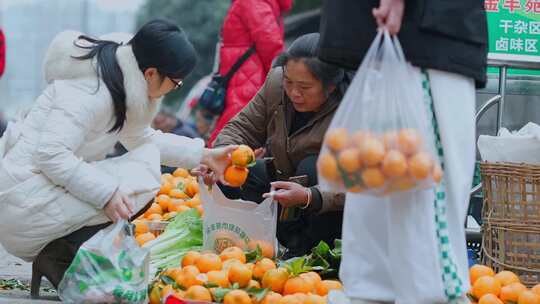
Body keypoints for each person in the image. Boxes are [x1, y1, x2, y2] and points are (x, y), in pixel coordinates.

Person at [0, 19, 235, 291]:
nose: (174, 88)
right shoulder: (92, 92)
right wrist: (107, 193)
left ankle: (63, 256)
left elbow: (143, 139)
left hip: (31, 195)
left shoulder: (117, 81)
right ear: (150, 74)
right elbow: (51, 154)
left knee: (143, 164)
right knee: (143, 176)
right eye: (176, 82)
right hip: (19, 205)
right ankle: (60, 256)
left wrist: (205, 156)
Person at [318, 0, 488, 303]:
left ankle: (372, 294)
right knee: (422, 181)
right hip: (421, 32)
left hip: (405, 35)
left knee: (380, 181)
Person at [212, 33, 349, 257]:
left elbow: (360, 182)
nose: (294, 93)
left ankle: (315, 255)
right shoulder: (276, 84)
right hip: (285, 185)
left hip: (329, 203)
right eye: (289, 82)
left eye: (305, 87)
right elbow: (244, 126)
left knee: (314, 167)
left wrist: (309, 196)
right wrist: (219, 157)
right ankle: (266, 245)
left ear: (331, 86)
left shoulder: (351, 107)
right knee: (247, 172)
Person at [207, 0, 293, 145]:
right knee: (239, 124)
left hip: (245, 73)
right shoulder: (254, 2)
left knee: (236, 124)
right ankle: (213, 162)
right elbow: (271, 46)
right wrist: (283, 79)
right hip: (251, 76)